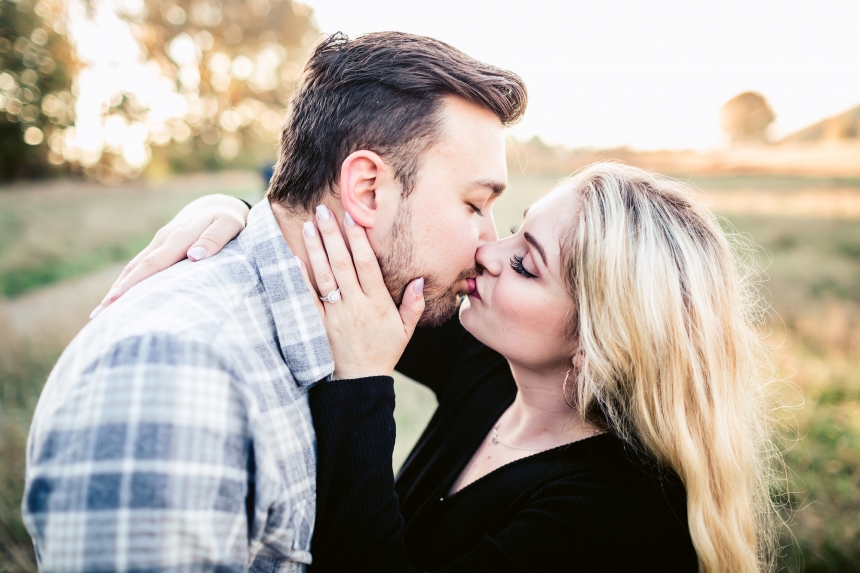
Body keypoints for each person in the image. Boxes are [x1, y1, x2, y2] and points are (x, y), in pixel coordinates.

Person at [111, 163, 782, 572]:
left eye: (526, 262)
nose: (490, 247)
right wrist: (239, 213)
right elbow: (345, 270)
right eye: (515, 226)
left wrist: (362, 384)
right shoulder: (495, 371)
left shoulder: (618, 520)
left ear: (599, 339)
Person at [22, 32, 526, 572]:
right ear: (367, 189)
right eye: (475, 204)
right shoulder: (176, 375)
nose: (489, 244)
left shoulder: (331, 329)